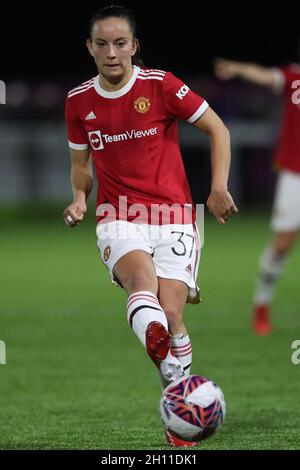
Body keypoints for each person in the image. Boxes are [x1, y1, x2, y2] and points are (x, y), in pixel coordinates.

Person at [63, 5, 237, 447]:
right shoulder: (78, 101)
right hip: (118, 215)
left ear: (134, 46)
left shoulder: (161, 86)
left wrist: (218, 187)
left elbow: (218, 129)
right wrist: (81, 197)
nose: (112, 52)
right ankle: (184, 402)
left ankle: (177, 405)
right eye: (102, 44)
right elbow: (80, 166)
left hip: (176, 216)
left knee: (173, 314)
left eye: (121, 43)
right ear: (90, 48)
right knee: (142, 282)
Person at [214, 58, 300, 335]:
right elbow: (266, 75)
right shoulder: (293, 77)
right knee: (283, 244)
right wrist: (239, 69)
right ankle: (261, 305)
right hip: (295, 174)